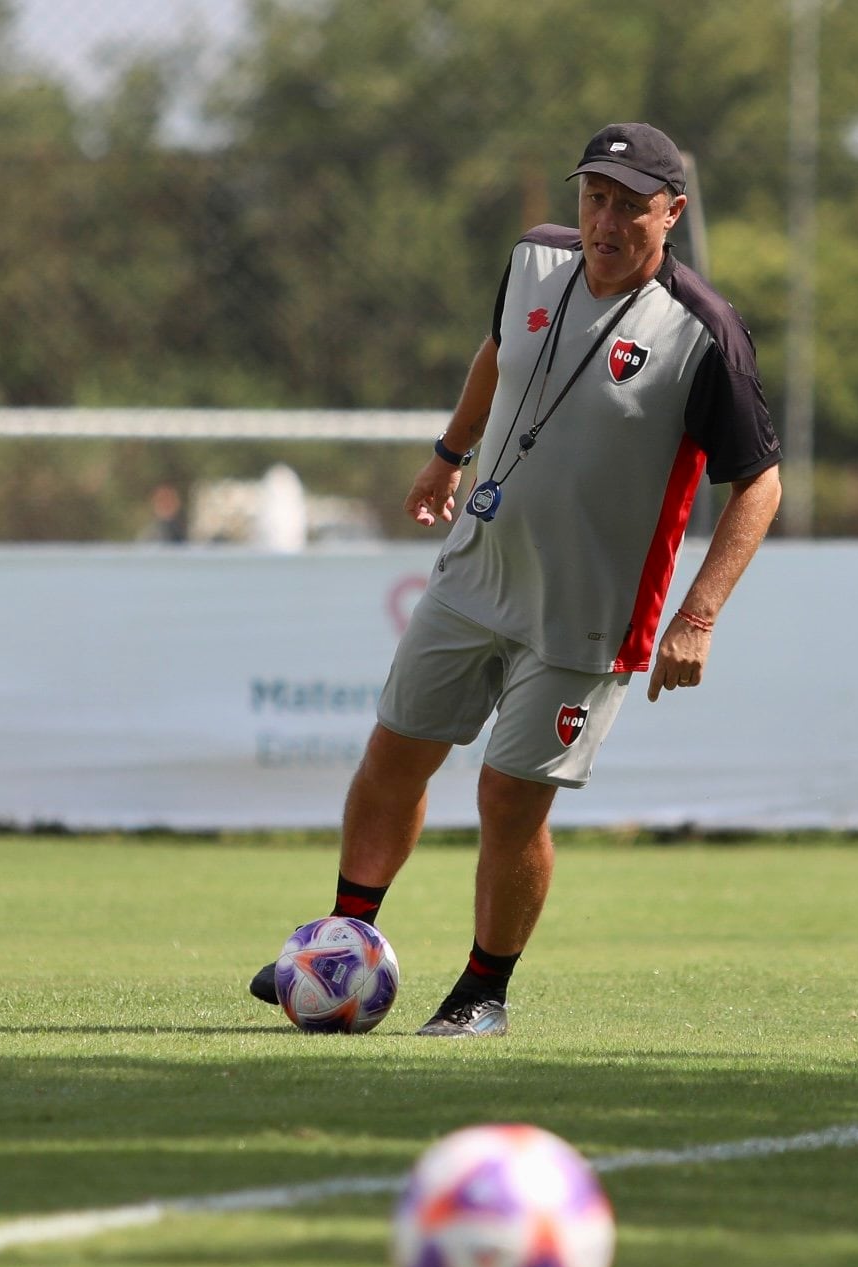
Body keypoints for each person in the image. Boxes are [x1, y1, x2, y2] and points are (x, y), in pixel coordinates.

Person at [251, 122, 783, 1036]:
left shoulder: (704, 332)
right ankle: (342, 942)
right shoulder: (535, 259)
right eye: (595, 198)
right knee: (393, 755)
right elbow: (499, 352)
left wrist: (697, 617)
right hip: (475, 572)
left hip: (587, 614)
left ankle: (481, 992)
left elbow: (759, 483)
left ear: (673, 212)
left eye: (629, 204)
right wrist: (447, 453)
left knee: (507, 796)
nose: (606, 220)